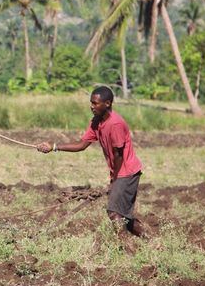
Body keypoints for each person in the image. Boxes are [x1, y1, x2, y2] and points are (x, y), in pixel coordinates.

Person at [36, 86, 145, 238]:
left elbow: (118, 154)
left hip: (127, 172)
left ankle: (127, 248)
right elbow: (82, 144)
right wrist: (53, 146)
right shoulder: (97, 122)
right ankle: (151, 241)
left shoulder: (115, 124)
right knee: (123, 216)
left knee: (114, 212)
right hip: (120, 172)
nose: (92, 106)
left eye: (95, 103)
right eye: (91, 103)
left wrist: (115, 179)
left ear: (107, 103)